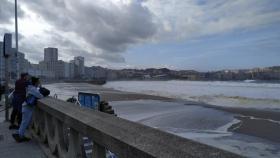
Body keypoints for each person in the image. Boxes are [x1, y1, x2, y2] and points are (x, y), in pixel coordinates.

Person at [12, 77, 44, 142]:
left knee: (24, 122)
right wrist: (41, 86)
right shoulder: (33, 89)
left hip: (25, 107)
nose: (39, 83)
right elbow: (40, 96)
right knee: (25, 122)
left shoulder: (30, 87)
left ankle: (19, 134)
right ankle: (20, 136)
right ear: (36, 83)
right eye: (38, 82)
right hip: (27, 108)